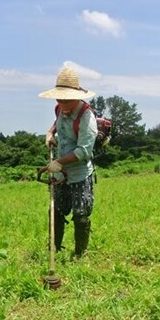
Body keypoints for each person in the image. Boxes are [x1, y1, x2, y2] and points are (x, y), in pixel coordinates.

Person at [38, 65, 98, 258]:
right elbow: (57, 124)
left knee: (81, 215)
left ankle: (81, 253)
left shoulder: (86, 117)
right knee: (56, 211)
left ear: (77, 96)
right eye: (59, 98)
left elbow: (83, 151)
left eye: (67, 98)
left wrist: (60, 162)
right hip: (60, 173)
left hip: (79, 173)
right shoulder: (60, 110)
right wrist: (49, 133)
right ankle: (54, 249)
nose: (62, 102)